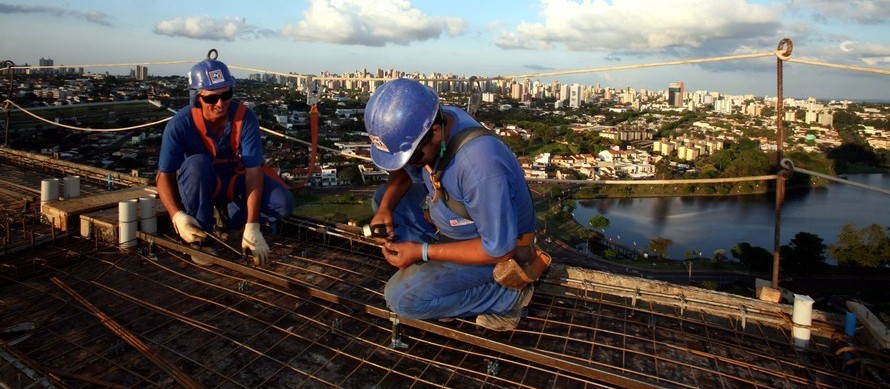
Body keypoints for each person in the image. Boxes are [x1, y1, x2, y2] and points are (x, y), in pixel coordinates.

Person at [365, 78, 537, 331]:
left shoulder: (480, 165)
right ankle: (436, 276)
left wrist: (421, 252)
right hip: (450, 221)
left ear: (435, 132)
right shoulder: (441, 119)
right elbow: (403, 172)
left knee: (400, 299)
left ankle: (507, 297)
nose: (411, 164)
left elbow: (500, 250)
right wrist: (384, 211)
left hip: (493, 247)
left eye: (412, 157)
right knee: (385, 198)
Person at [157, 57, 295, 266]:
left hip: (233, 180)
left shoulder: (244, 117)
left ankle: (228, 218)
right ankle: (201, 238)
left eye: (226, 95)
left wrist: (252, 225)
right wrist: (176, 215)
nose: (220, 103)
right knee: (196, 165)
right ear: (197, 97)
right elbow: (164, 175)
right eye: (211, 98)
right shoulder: (180, 125)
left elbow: (254, 171)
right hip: (201, 184)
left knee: (282, 202)